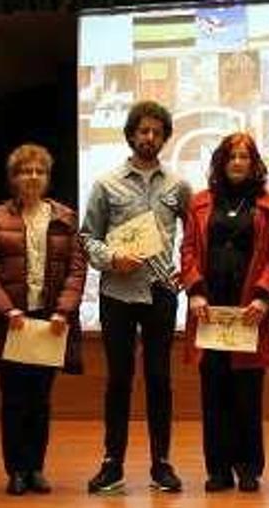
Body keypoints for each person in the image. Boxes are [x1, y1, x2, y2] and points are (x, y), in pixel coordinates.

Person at [80, 100, 192, 494]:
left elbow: (194, 238)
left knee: (160, 379)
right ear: (130, 134)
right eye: (143, 130)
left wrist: (187, 270)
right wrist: (112, 258)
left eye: (157, 132)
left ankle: (162, 463)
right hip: (117, 295)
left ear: (164, 138)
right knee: (119, 380)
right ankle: (113, 463)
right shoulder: (105, 183)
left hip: (161, 294)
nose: (149, 137)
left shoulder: (178, 185)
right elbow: (87, 238)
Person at [0, 143, 87, 496]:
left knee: (41, 397)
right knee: (13, 397)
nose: (32, 177)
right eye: (25, 171)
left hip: (49, 322)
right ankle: (16, 471)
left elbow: (77, 269)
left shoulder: (65, 217)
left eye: (39, 171)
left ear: (47, 177)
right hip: (11, 321)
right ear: (14, 178)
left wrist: (63, 311)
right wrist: (8, 309)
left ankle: (36, 468)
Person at [179, 132, 269, 493]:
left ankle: (249, 469)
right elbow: (189, 251)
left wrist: (263, 297)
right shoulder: (199, 203)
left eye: (244, 157)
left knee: (247, 394)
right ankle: (218, 470)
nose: (237, 162)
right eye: (231, 157)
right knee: (214, 393)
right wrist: (194, 291)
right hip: (209, 313)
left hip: (249, 312)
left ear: (254, 164)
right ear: (220, 163)